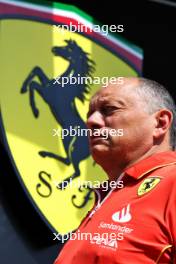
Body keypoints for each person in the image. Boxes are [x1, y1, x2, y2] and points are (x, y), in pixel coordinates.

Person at [54, 77, 176, 264]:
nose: (91, 122)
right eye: (90, 114)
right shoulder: (111, 194)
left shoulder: (172, 182)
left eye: (109, 109)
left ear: (160, 123)